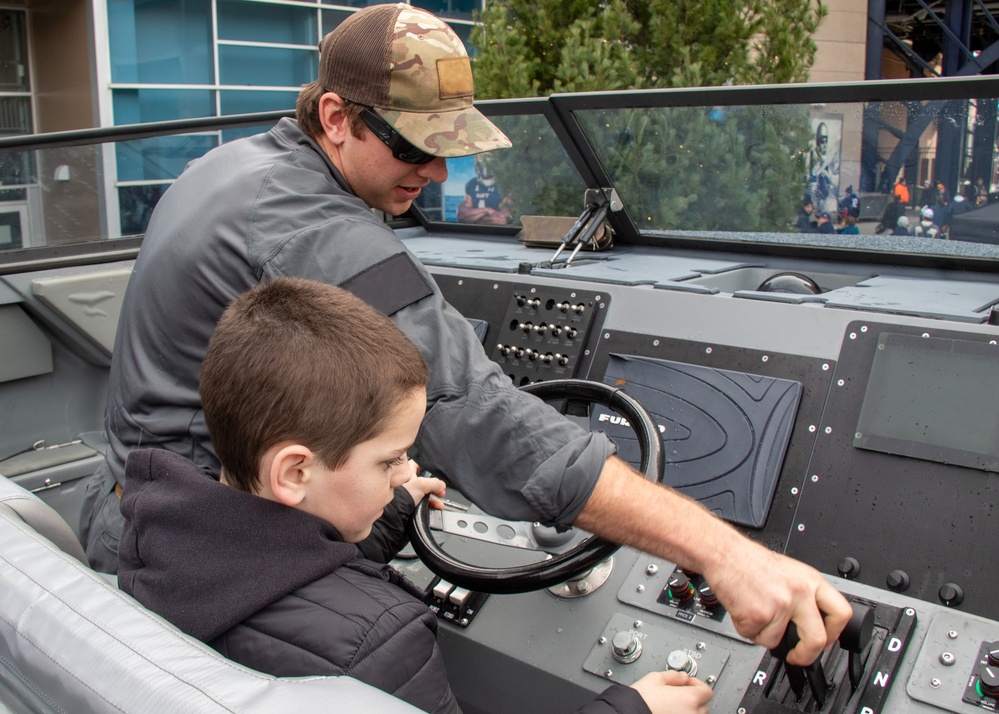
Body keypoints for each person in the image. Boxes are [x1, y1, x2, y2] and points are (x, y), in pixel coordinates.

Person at [81, 2, 849, 666]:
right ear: (336, 118)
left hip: (134, 503)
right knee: (391, 636)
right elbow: (475, 414)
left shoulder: (231, 167)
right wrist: (721, 552)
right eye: (415, 146)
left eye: (448, 146)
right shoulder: (312, 230)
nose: (439, 173)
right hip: (195, 554)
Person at [118, 277, 713, 714]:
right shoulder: (382, 643)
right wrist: (630, 709)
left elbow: (279, 559)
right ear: (295, 472)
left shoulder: (158, 533)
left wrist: (393, 505)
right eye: (390, 459)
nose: (408, 471)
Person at [456, 153, 510, 224]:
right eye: (481, 164)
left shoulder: (506, 184)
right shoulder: (472, 183)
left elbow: (501, 219)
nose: (485, 168)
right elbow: (462, 216)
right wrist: (487, 210)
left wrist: (478, 219)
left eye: (489, 163)